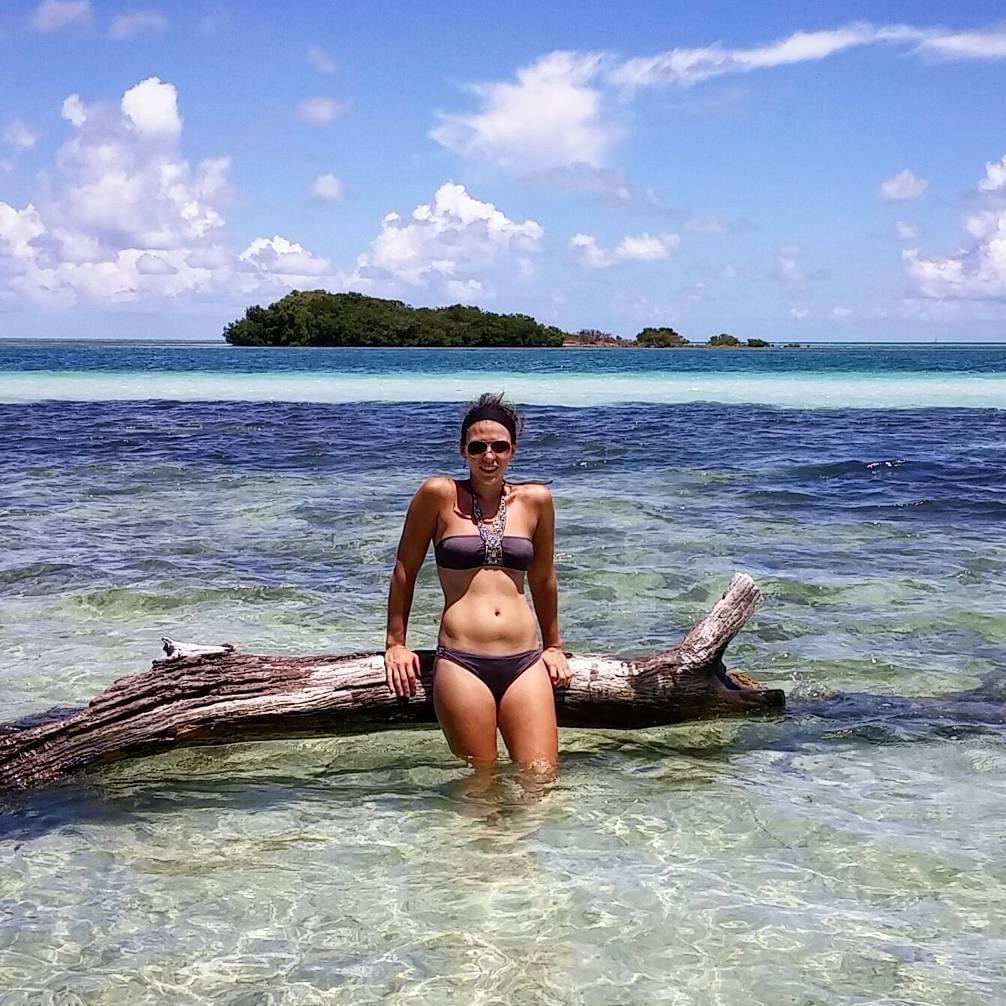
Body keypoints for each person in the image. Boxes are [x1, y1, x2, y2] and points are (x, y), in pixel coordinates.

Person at [384, 393, 572, 773]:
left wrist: (554, 646)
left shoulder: (536, 501)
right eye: (478, 447)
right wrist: (396, 645)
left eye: (499, 447)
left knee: (541, 778)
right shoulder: (438, 495)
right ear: (463, 451)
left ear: (513, 450)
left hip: (525, 660)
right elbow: (405, 569)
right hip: (461, 661)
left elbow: (543, 578)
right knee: (479, 783)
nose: (489, 456)